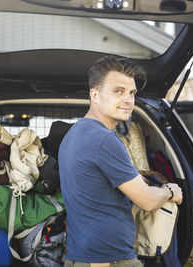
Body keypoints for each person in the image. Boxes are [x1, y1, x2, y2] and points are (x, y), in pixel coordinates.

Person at [59, 55, 183, 267]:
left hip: (81, 255)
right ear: (95, 95)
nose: (128, 99)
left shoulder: (75, 133)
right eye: (118, 91)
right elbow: (147, 201)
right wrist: (170, 191)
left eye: (132, 93)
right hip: (109, 259)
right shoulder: (104, 139)